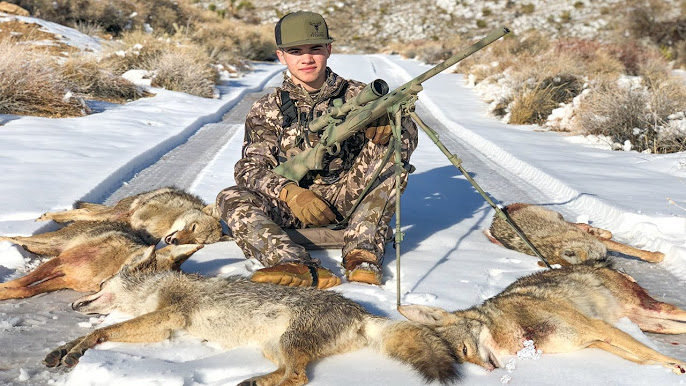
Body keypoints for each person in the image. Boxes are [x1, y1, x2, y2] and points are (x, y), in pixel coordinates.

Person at [216, 11, 417, 289]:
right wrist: (291, 193)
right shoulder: (267, 107)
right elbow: (249, 168)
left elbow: (404, 145)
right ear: (281, 56)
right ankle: (296, 264)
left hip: (349, 196)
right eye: (295, 51)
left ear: (329, 50)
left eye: (315, 49)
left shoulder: (359, 96)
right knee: (230, 197)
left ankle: (362, 255)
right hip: (291, 206)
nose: (307, 58)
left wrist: (394, 124)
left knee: (394, 164)